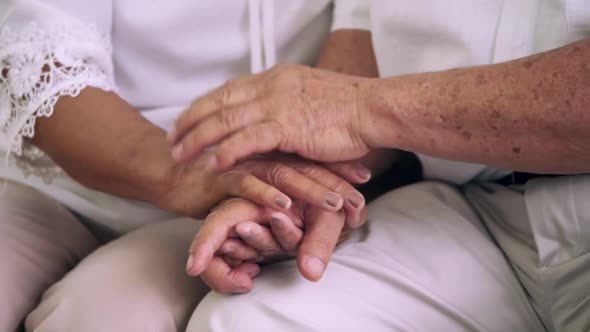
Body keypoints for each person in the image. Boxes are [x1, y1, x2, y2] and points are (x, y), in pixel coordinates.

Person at [175, 1, 590, 331]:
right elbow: (365, 45)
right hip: (474, 207)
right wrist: (297, 190)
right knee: (241, 323)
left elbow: (353, 102)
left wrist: (359, 108)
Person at [0, 1, 375, 331]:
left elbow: (365, 55)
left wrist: (289, 189)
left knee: (100, 317)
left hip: (239, 197)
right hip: (57, 182)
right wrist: (183, 174)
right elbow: (36, 55)